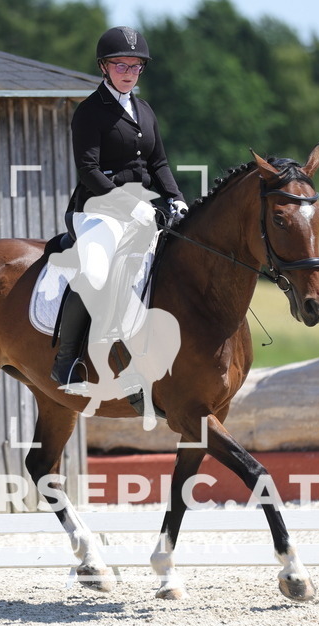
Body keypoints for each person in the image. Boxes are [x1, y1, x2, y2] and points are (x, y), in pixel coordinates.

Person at [52, 25, 188, 390]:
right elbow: (88, 170)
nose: (129, 72)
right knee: (95, 270)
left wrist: (175, 198)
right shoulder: (90, 112)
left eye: (135, 66)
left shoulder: (144, 109)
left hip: (145, 209)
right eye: (121, 65)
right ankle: (66, 360)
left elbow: (158, 163)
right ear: (104, 67)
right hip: (98, 209)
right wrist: (129, 205)